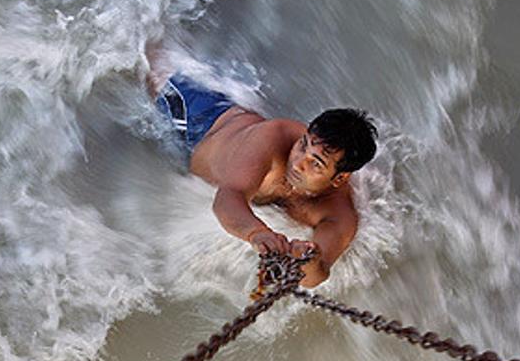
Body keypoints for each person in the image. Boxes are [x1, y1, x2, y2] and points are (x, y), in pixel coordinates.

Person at [146, 49, 377, 288]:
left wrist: (305, 261)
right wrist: (258, 233)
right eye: (302, 144)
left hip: (215, 144)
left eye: (315, 163)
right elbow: (227, 198)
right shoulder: (273, 138)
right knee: (145, 72)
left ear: (340, 178)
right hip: (200, 118)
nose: (298, 162)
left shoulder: (338, 213)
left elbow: (317, 273)